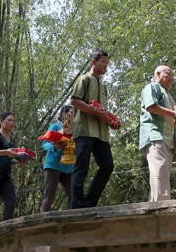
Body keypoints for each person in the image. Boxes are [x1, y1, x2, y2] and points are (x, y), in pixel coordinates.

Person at [70, 49, 119, 209]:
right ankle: (77, 208)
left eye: (107, 63)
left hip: (101, 133)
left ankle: (88, 204)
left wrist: (111, 121)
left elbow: (102, 110)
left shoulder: (103, 85)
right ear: (93, 62)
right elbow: (75, 101)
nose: (106, 65)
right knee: (81, 169)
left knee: (107, 166)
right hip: (84, 131)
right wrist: (98, 114)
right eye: (102, 62)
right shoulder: (83, 79)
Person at [139, 65, 176, 202]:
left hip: (168, 140)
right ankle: (162, 213)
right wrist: (175, 114)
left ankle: (154, 214)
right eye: (168, 74)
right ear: (157, 74)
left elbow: (170, 118)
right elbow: (151, 107)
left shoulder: (168, 95)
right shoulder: (152, 87)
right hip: (155, 136)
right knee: (160, 176)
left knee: (161, 178)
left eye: (173, 76)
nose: (171, 79)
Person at [39, 106, 74, 212]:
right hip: (53, 165)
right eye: (72, 112)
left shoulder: (76, 129)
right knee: (49, 196)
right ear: (64, 114)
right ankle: (43, 222)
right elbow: (45, 144)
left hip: (69, 166)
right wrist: (55, 147)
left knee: (74, 195)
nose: (74, 115)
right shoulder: (55, 126)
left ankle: (71, 219)